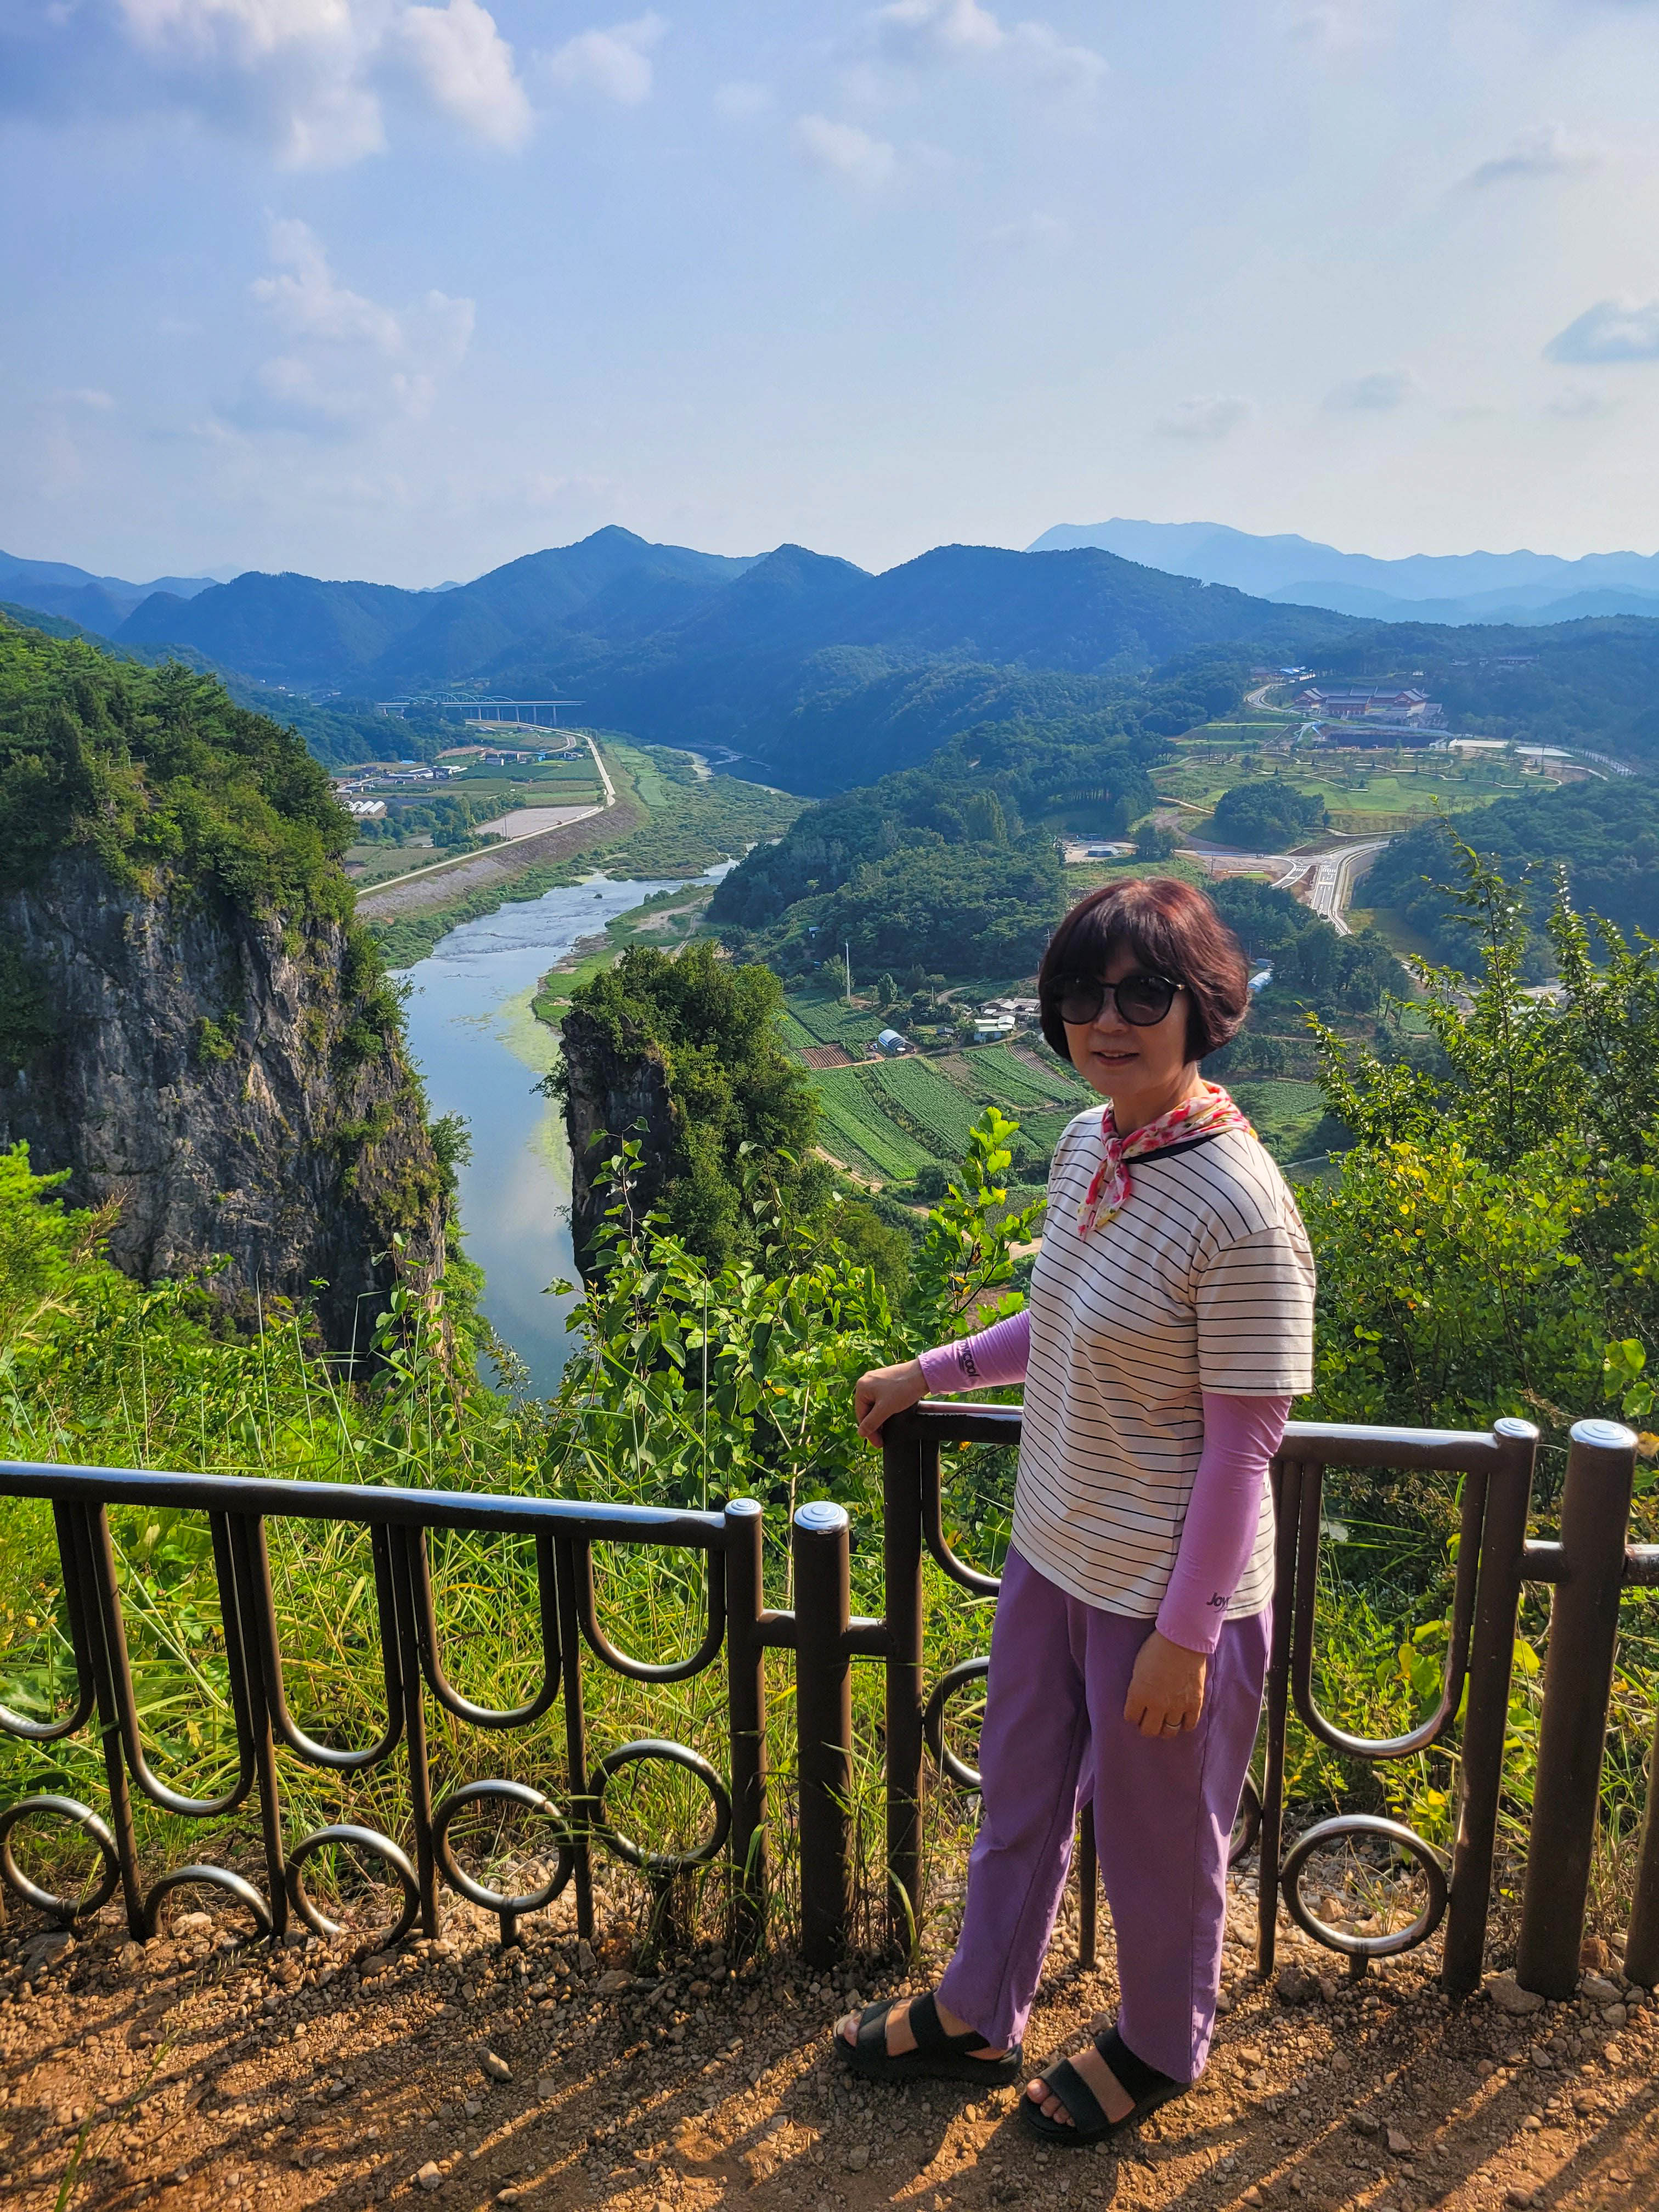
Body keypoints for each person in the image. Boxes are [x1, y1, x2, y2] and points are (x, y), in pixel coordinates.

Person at [837, 876, 1315, 2146]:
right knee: (1018, 1795)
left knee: (1159, 1842)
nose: (1110, 1020)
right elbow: (1057, 1321)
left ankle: (1162, 2042)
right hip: (1052, 1548)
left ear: (1203, 1008)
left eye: (1145, 994)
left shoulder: (1244, 1209)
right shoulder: (1090, 1144)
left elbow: (1245, 1447)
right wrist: (931, 1372)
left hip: (1167, 1595)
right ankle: (978, 2007)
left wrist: (1188, 1638)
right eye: (1082, 994)